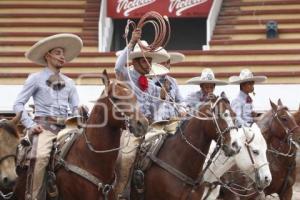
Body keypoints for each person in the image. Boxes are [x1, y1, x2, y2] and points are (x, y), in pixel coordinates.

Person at [13, 33, 82, 200]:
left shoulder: (70, 82)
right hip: (44, 127)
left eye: (63, 53)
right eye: (58, 53)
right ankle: (34, 196)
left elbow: (75, 107)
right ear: (47, 55)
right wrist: (29, 125)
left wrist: (78, 115)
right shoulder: (35, 78)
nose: (62, 56)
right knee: (41, 157)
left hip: (67, 128)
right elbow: (18, 105)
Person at [115, 28, 170, 123]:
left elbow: (153, 111)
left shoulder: (151, 84)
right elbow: (118, 67)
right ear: (135, 62)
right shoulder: (127, 75)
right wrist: (132, 42)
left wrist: (162, 98)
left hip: (147, 124)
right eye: (144, 61)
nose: (148, 65)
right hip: (131, 125)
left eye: (150, 61)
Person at [150, 51, 186, 121]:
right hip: (155, 122)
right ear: (157, 64)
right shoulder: (150, 82)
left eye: (168, 63)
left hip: (172, 120)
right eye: (163, 63)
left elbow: (180, 100)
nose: (166, 65)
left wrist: (182, 108)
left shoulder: (173, 81)